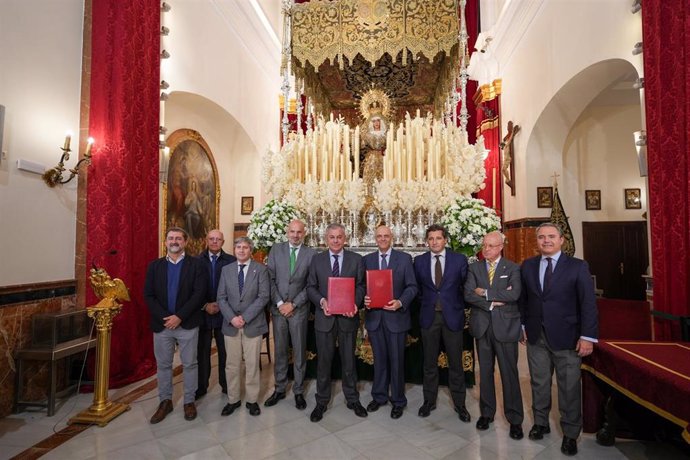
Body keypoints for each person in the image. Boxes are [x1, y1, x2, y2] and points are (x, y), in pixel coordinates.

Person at [519, 223, 598, 456]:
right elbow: (524, 300)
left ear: (561, 240)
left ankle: (571, 433)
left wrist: (587, 337)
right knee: (539, 383)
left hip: (568, 337)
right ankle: (540, 423)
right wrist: (523, 326)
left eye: (551, 236)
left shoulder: (577, 266)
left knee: (569, 387)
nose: (546, 241)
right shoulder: (528, 266)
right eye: (542, 237)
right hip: (536, 336)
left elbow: (588, 304)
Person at [464, 231, 524, 439]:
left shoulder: (513, 268)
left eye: (491, 246)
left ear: (501, 247)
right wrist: (492, 303)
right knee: (485, 373)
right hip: (482, 327)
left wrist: (486, 293)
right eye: (484, 245)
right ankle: (486, 414)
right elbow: (468, 294)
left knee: (509, 374)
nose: (486, 249)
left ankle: (515, 420)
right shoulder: (474, 268)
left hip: (506, 328)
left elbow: (514, 293)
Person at [144, 227, 207, 424]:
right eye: (171, 238)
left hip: (187, 323)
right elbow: (149, 295)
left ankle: (189, 401)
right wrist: (167, 318)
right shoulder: (155, 266)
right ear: (165, 242)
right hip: (162, 326)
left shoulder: (196, 265)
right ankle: (165, 401)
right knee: (163, 365)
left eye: (178, 238)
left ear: (185, 242)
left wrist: (179, 316)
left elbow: (199, 294)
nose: (174, 241)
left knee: (189, 364)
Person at [306, 223, 366, 422]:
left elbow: (360, 286)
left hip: (348, 318)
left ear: (345, 238)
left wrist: (355, 303)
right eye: (332, 237)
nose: (336, 240)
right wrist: (321, 301)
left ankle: (352, 399)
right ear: (326, 239)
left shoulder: (356, 260)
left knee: (349, 361)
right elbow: (311, 287)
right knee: (324, 362)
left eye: (339, 236)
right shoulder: (317, 260)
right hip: (325, 319)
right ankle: (321, 401)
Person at [413, 224, 471, 422]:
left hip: (452, 317)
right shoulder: (419, 261)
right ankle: (429, 401)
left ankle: (460, 404)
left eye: (438, 238)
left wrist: (453, 306)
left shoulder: (459, 259)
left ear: (445, 240)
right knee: (429, 363)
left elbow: (465, 287)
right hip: (429, 318)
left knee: (456, 363)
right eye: (431, 239)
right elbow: (419, 291)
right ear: (427, 241)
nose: (435, 242)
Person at [362, 225, 418, 419]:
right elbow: (362, 288)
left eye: (386, 236)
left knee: (396, 361)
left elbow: (412, 286)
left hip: (397, 318)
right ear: (375, 238)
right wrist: (364, 300)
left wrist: (400, 302)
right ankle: (379, 396)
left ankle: (398, 400)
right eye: (379, 236)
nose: (383, 239)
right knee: (379, 360)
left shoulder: (404, 259)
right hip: (375, 319)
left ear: (391, 237)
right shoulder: (367, 260)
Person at [265, 219, 316, 410]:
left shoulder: (311, 254)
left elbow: (311, 284)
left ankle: (298, 391)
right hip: (279, 311)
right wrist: (280, 303)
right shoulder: (276, 250)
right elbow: (269, 279)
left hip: (299, 310)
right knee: (280, 350)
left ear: (304, 233)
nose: (295, 235)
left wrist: (293, 304)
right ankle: (279, 388)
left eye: (299, 232)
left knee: (299, 350)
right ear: (287, 232)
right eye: (292, 232)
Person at [217, 237, 270, 417]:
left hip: (252, 324)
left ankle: (252, 400)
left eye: (245, 247)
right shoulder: (226, 270)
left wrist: (244, 318)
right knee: (231, 365)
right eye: (238, 247)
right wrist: (232, 318)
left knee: (252, 364)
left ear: (250, 250)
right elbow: (221, 298)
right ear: (234, 249)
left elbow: (263, 297)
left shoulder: (261, 270)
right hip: (230, 325)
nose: (241, 250)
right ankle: (233, 399)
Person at [195, 229, 236, 400]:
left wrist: (222, 304)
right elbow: (192, 288)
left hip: (224, 313)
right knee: (202, 351)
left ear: (223, 241)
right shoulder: (196, 261)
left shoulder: (231, 261)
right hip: (202, 312)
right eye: (211, 239)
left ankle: (226, 385)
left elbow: (235, 287)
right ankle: (201, 386)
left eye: (218, 239)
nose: (214, 242)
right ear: (206, 240)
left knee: (225, 351)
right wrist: (205, 305)